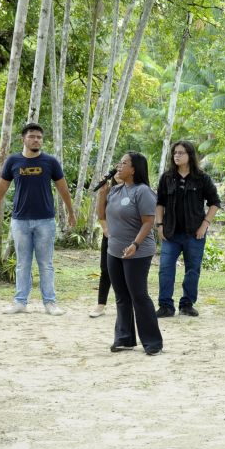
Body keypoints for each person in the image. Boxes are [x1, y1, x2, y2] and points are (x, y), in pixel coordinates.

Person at [0, 122, 76, 315]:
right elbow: (1, 187)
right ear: (23, 139)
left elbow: (63, 188)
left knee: (46, 264)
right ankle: (20, 302)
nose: (36, 140)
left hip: (45, 220)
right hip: (20, 221)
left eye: (39, 137)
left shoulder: (50, 162)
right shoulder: (13, 161)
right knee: (22, 263)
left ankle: (50, 303)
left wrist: (70, 212)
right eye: (32, 136)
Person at [97, 152, 162, 355]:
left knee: (138, 295)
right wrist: (102, 193)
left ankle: (152, 342)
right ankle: (124, 338)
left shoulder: (142, 192)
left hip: (138, 251)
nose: (119, 166)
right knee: (121, 296)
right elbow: (101, 215)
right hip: (114, 250)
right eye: (120, 162)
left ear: (134, 169)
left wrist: (135, 244)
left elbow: (148, 222)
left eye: (124, 163)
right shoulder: (115, 190)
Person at [155, 141, 221, 318]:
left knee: (192, 270)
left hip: (194, 233)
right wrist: (159, 225)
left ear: (189, 155)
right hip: (171, 232)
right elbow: (159, 203)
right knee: (166, 268)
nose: (176, 156)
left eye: (181, 153)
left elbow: (214, 202)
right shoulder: (167, 177)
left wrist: (205, 224)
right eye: (175, 153)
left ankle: (187, 304)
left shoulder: (202, 178)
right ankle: (166, 306)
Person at [88, 233, 111, 318]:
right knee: (105, 271)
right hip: (110, 236)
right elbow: (101, 219)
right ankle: (100, 305)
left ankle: (129, 306)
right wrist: (105, 229)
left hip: (129, 236)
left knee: (128, 273)